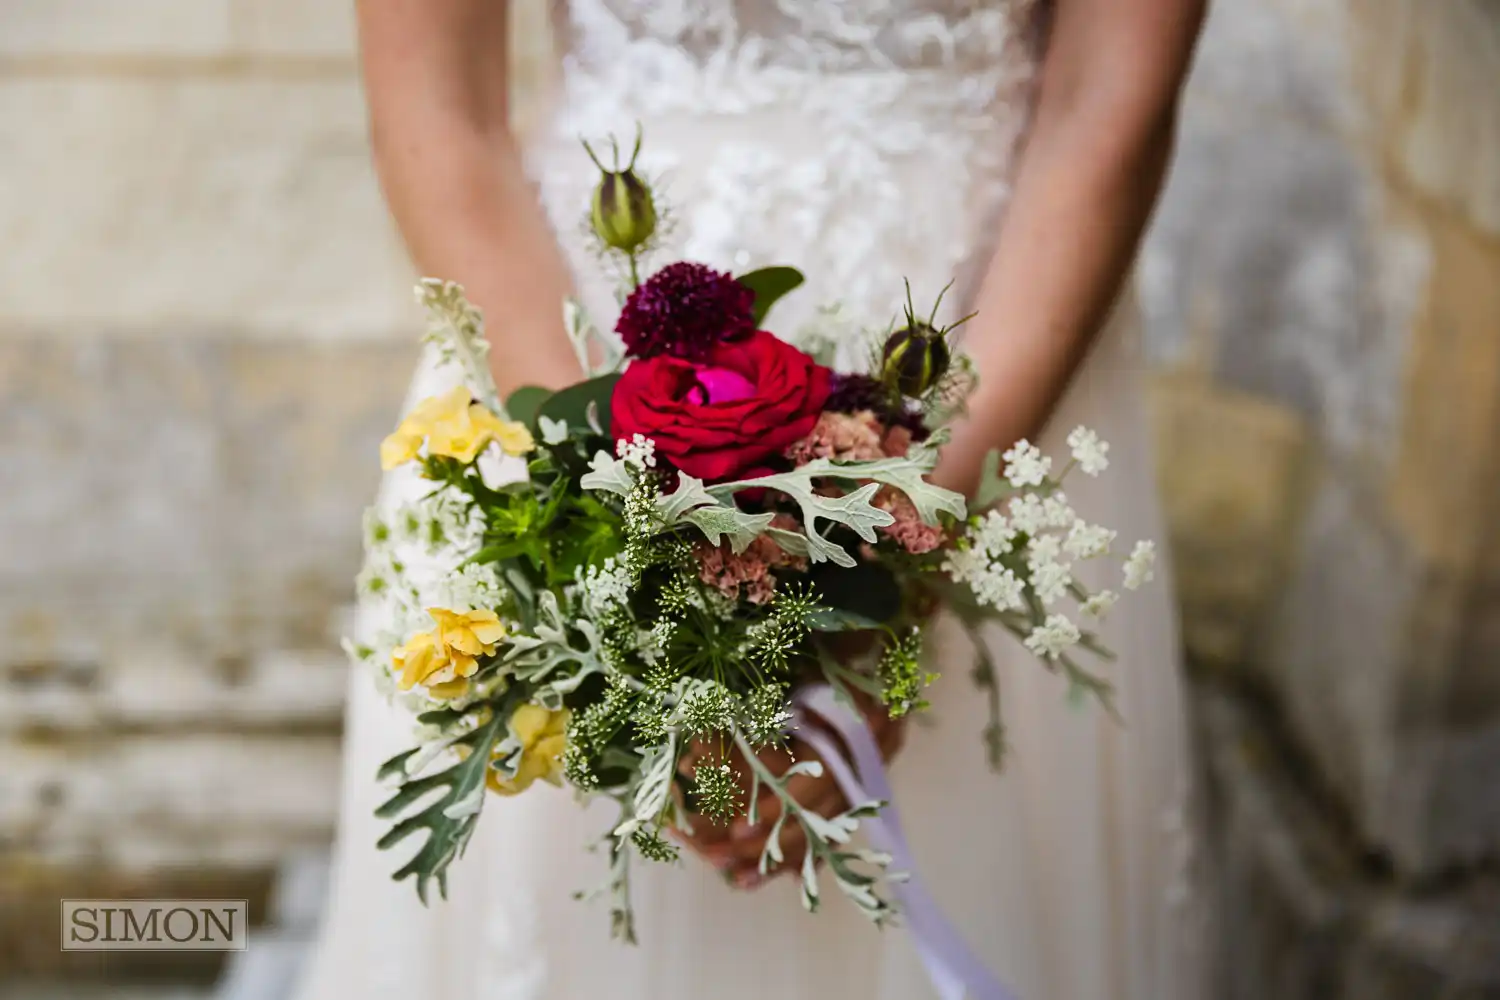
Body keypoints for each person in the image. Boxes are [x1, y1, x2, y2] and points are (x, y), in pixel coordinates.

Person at [295, 1, 1208, 998]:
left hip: (992, 390)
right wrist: (640, 578)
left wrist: (893, 559)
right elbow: (440, 114)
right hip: (559, 369)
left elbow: (1105, 104)